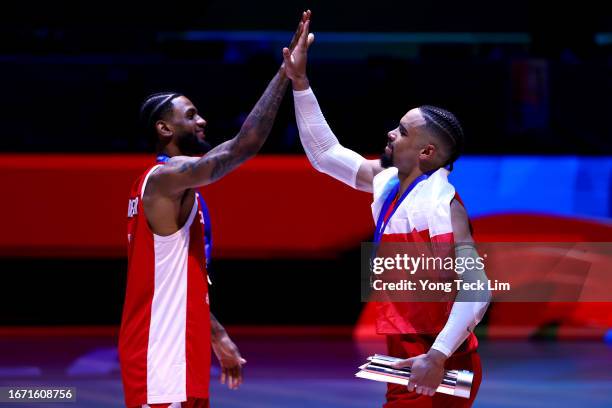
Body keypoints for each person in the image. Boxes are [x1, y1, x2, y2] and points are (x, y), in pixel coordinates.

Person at [282, 19, 490, 407]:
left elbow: (477, 289)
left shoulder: (441, 206)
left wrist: (438, 355)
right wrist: (300, 82)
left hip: (436, 368)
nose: (391, 134)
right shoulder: (390, 183)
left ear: (427, 153)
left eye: (403, 131)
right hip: (408, 360)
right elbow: (326, 156)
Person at [118, 11, 312, 408]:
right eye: (191, 115)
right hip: (159, 355)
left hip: (175, 349)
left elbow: (178, 282)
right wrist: (285, 74)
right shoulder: (163, 179)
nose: (203, 120)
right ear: (164, 129)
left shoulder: (169, 184)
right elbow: (244, 145)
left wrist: (217, 334)